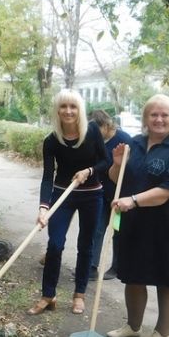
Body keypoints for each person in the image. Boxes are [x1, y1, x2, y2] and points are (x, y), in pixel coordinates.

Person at [104, 94, 169, 337]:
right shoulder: (134, 143)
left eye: (164, 115)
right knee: (133, 273)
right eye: (153, 114)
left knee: (166, 275)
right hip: (137, 220)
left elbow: (167, 191)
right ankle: (133, 326)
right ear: (145, 118)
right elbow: (116, 178)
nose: (158, 119)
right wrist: (117, 164)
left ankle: (163, 331)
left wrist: (131, 201)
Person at [27, 89, 109, 316]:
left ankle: (79, 295)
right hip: (62, 195)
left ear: (79, 110)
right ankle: (48, 295)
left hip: (92, 195)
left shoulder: (92, 132)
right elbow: (47, 177)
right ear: (57, 110)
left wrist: (89, 170)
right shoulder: (51, 141)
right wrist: (44, 207)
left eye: (73, 106)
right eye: (63, 106)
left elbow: (105, 161)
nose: (68, 111)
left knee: (86, 245)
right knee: (55, 244)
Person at [88, 109, 133, 281]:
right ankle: (91, 267)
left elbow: (130, 169)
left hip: (120, 196)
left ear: (106, 126)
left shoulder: (124, 140)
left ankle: (116, 267)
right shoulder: (94, 140)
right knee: (96, 229)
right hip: (100, 193)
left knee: (117, 230)